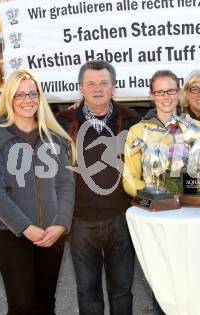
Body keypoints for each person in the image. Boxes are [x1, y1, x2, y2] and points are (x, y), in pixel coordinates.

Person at [0, 69, 76, 314]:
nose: (27, 99)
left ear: (40, 98)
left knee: (45, 303)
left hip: (52, 234)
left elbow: (65, 184)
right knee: (21, 305)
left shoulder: (53, 138)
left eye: (32, 93)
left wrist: (61, 225)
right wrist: (25, 228)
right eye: (20, 94)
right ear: (9, 98)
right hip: (13, 235)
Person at [57, 60, 140, 315]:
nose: (97, 89)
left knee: (122, 291)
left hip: (121, 219)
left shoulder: (131, 121)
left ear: (113, 87)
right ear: (81, 88)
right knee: (88, 293)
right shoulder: (62, 122)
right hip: (81, 221)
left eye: (104, 83)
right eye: (91, 84)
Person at [123, 69, 198, 315]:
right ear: (151, 95)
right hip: (157, 217)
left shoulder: (194, 127)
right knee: (162, 287)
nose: (166, 97)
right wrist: (157, 193)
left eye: (171, 90)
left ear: (179, 93)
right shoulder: (138, 131)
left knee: (192, 284)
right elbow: (129, 178)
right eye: (160, 91)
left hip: (190, 219)